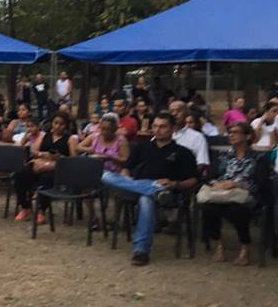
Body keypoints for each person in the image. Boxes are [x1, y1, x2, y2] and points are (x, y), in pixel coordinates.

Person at [101, 112, 198, 266]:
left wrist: (175, 184)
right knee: (105, 175)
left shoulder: (183, 152)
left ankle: (141, 251)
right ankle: (154, 189)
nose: (158, 130)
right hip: (138, 187)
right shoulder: (142, 147)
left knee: (146, 200)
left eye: (163, 127)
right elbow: (126, 168)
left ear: (172, 129)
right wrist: (127, 178)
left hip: (169, 191)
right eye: (155, 126)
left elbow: (193, 181)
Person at [203, 122, 260, 266]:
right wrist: (216, 184)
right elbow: (211, 176)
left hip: (244, 195)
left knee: (237, 210)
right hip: (222, 193)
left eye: (236, 132)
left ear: (247, 136)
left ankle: (244, 248)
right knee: (209, 208)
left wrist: (238, 184)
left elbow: (260, 183)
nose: (232, 135)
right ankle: (219, 245)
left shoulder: (257, 158)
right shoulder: (224, 156)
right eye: (230, 132)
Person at [12, 113, 73, 223]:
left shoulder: (70, 139)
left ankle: (41, 211)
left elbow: (74, 159)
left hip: (58, 168)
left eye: (61, 124)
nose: (58, 126)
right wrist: (43, 155)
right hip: (41, 162)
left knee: (47, 179)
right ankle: (26, 207)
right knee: (20, 175)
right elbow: (34, 151)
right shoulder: (45, 136)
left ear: (66, 125)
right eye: (56, 123)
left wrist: (61, 157)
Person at [169, 100, 210, 171]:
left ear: (186, 113)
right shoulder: (162, 134)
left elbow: (202, 163)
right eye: (171, 111)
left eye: (178, 111)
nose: (174, 114)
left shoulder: (197, 137)